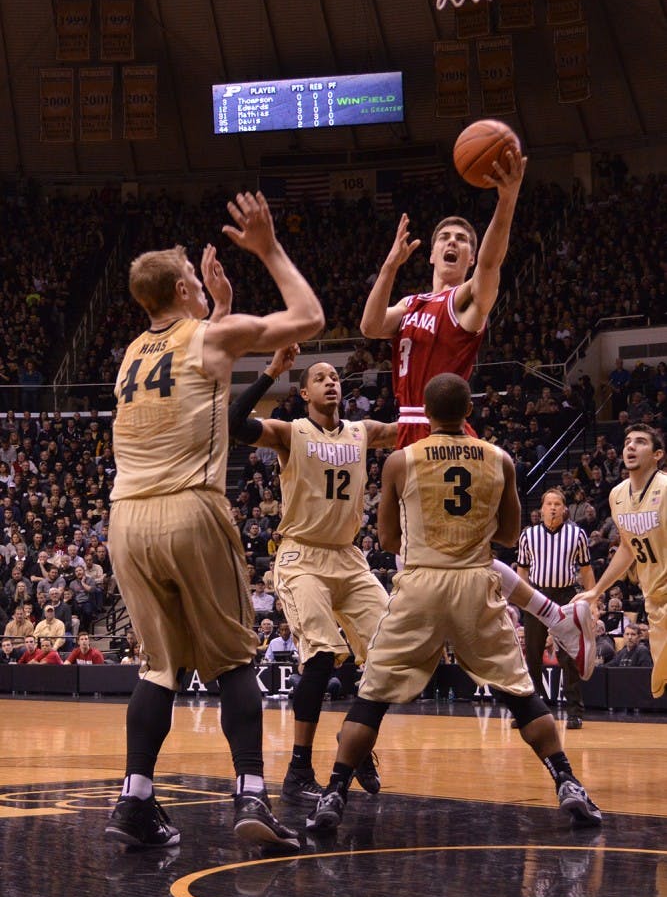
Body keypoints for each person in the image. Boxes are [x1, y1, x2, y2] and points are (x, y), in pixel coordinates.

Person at [104, 190, 323, 851]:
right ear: (179, 287)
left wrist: (220, 304)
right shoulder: (209, 336)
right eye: (196, 281)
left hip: (125, 519)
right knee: (234, 661)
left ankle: (133, 802)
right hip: (188, 509)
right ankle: (251, 797)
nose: (205, 287)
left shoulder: (132, 352)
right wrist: (267, 248)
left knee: (158, 666)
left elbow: (202, 381)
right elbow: (308, 316)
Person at [306, 374, 601, 833]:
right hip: (474, 584)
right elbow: (507, 536)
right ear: (470, 413)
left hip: (421, 583)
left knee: (372, 698)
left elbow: (386, 538)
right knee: (520, 696)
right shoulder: (500, 458)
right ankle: (567, 782)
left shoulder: (401, 460)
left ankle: (334, 794)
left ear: (425, 412)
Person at [358, 154, 594, 673]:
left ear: (467, 260)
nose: (452, 243)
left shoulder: (465, 303)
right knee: (435, 556)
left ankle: (530, 623)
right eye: (446, 236)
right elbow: (371, 326)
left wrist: (505, 202)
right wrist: (390, 264)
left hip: (441, 431)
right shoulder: (413, 300)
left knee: (445, 557)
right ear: (432, 253)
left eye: (462, 240)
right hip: (410, 431)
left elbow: (491, 266)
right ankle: (553, 616)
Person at [229, 350, 396, 807]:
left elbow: (419, 429)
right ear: (303, 393)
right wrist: (270, 374)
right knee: (322, 657)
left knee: (393, 655)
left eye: (335, 377)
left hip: (349, 557)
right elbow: (233, 423)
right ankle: (299, 769)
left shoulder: (363, 432)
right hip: (302, 555)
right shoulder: (291, 432)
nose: (330, 382)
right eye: (320, 378)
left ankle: (355, 741)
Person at [574, 424, 667, 700]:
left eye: (640, 442)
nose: (630, 446)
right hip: (654, 598)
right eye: (627, 441)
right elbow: (627, 549)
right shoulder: (617, 495)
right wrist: (596, 590)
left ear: (657, 454)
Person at [517, 488, 596, 730]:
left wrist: (592, 603)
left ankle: (574, 711)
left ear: (564, 509)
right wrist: (522, 601)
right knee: (532, 655)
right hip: (537, 595)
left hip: (565, 596)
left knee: (568, 656)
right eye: (548, 503)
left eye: (558, 504)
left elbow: (586, 571)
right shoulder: (528, 536)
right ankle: (533, 711)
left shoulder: (577, 534)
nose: (553, 508)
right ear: (541, 510)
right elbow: (522, 572)